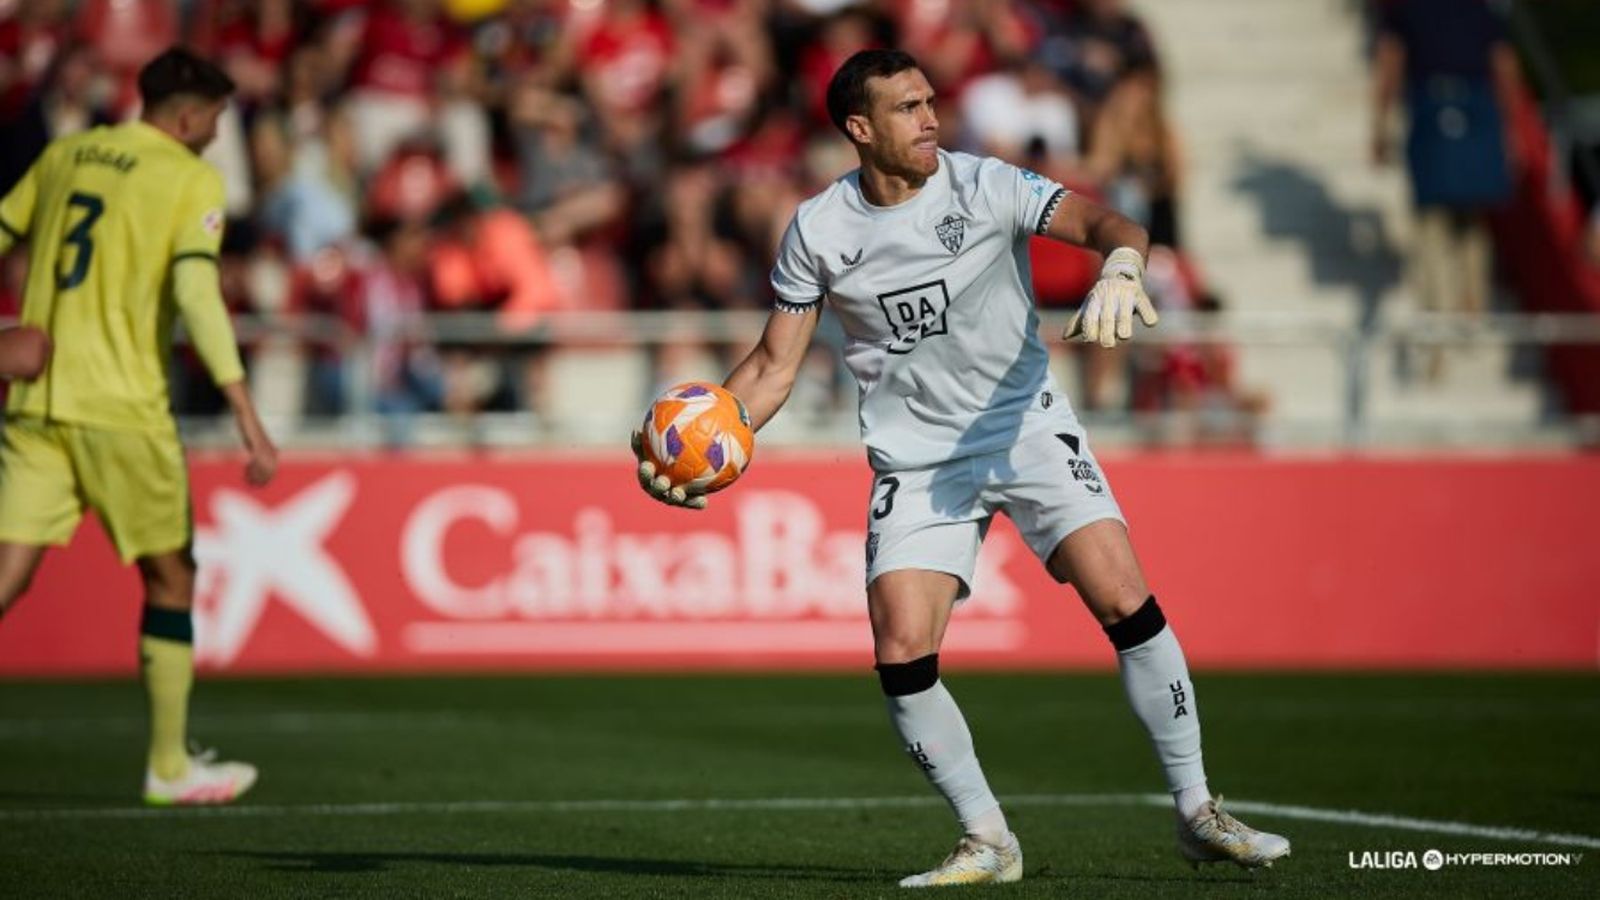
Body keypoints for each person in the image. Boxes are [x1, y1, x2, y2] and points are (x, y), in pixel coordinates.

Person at [632, 49, 1290, 886]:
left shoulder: (985, 185)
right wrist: (708, 444)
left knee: (1123, 598)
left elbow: (1108, 225)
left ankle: (1198, 811)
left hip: (1024, 426)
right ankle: (989, 839)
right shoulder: (818, 229)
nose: (930, 118)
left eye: (930, 101)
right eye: (906, 108)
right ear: (859, 130)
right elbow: (772, 367)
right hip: (917, 460)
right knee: (902, 648)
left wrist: (1124, 265)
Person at [0, 47, 276, 805]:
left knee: (7, 573)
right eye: (216, 120)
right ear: (187, 116)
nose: (218, 136)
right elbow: (198, 294)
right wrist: (245, 410)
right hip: (123, 410)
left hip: (34, 404)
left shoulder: (66, 153)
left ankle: (172, 765)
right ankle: (169, 765)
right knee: (171, 576)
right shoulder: (188, 178)